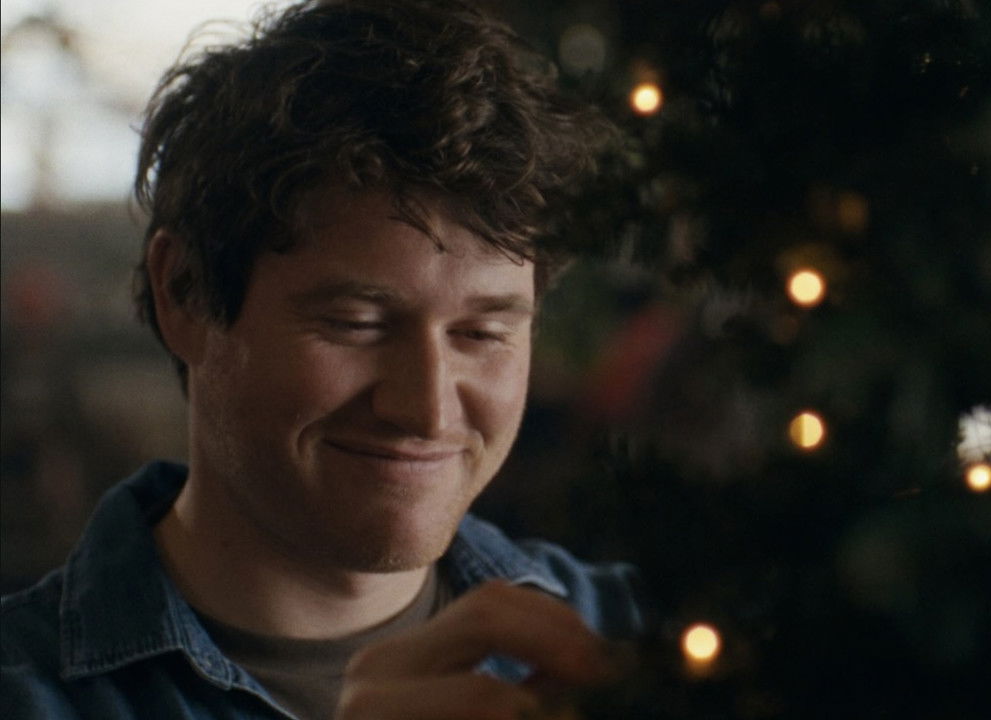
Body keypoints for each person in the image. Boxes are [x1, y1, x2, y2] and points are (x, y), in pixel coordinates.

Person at [1, 1, 645, 718]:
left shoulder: (646, 646)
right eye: (355, 324)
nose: (426, 410)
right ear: (184, 293)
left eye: (481, 333)